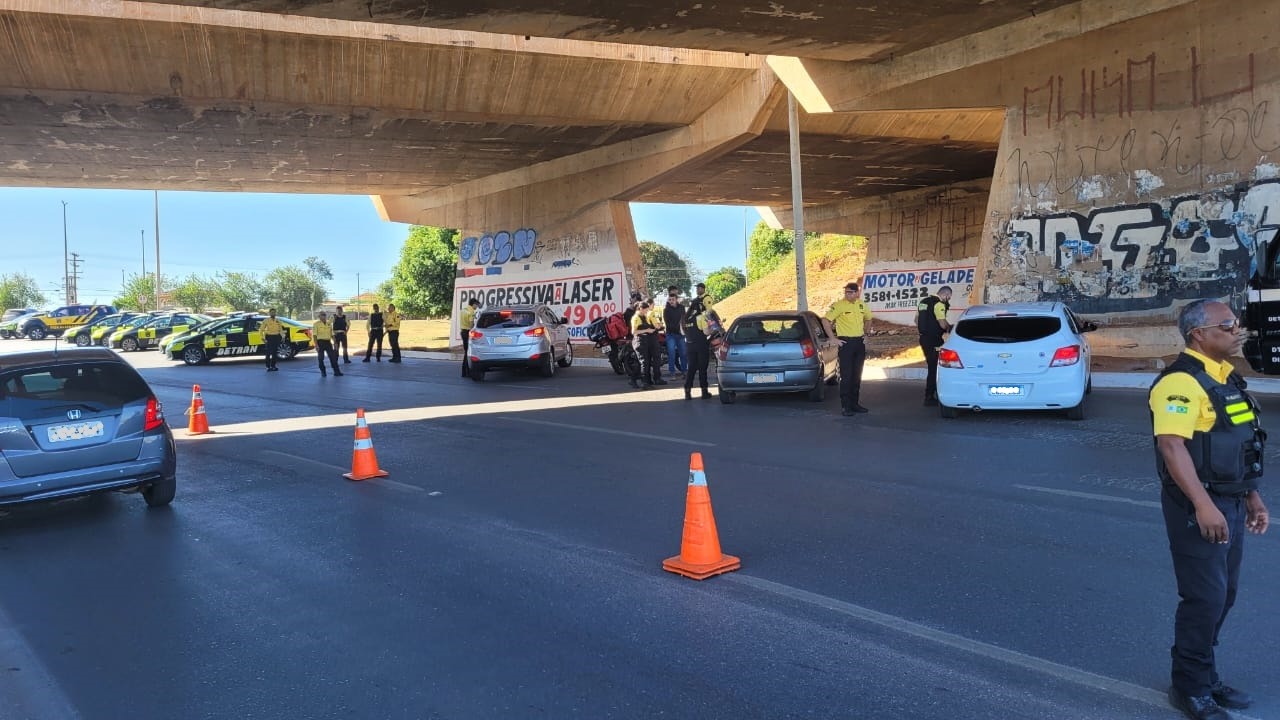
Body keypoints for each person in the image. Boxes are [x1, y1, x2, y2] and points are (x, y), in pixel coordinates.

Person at [1150, 299, 1269, 720]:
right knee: (1205, 597)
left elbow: (1240, 443)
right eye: (1229, 324)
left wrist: (1252, 496)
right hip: (1198, 504)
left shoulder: (1226, 380)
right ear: (1199, 334)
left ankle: (1206, 675)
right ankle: (1190, 686)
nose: (1239, 330)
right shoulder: (1179, 383)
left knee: (1224, 596)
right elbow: (1171, 446)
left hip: (1232, 501)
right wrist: (1203, 505)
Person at [824, 282, 874, 415]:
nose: (848, 294)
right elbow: (826, 320)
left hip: (859, 342)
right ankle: (845, 406)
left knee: (857, 375)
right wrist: (832, 338)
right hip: (846, 342)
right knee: (847, 376)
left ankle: (855, 404)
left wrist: (866, 333)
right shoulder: (839, 305)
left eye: (851, 292)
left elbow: (869, 318)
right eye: (846, 292)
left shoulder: (861, 304)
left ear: (857, 292)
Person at [916, 285, 953, 406]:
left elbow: (916, 320)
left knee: (931, 366)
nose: (948, 299)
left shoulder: (923, 302)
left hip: (923, 338)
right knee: (934, 368)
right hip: (934, 340)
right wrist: (950, 328)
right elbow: (942, 323)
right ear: (946, 295)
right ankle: (929, 396)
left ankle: (931, 394)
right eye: (949, 297)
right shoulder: (939, 304)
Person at [631, 300, 666, 388]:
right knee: (644, 363)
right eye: (646, 310)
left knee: (644, 363)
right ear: (641, 309)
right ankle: (644, 383)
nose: (647, 312)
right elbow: (634, 331)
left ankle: (637, 380)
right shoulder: (636, 318)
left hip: (645, 341)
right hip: (639, 342)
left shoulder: (644, 317)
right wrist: (647, 330)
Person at [683, 302, 713, 400]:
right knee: (702, 368)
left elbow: (682, 332)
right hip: (701, 345)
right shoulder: (701, 317)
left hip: (689, 345)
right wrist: (711, 327)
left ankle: (687, 391)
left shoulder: (684, 318)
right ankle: (704, 392)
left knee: (691, 368)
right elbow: (706, 332)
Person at [664, 289, 687, 378]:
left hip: (681, 335)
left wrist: (684, 329)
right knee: (672, 353)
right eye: (669, 300)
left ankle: (685, 371)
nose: (671, 301)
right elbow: (668, 323)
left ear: (676, 299)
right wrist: (678, 328)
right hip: (671, 334)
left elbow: (684, 320)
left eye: (673, 300)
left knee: (683, 353)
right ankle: (672, 372)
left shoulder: (681, 308)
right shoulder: (666, 310)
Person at [312, 311, 342, 377]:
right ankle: (323, 371)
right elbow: (314, 336)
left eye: (324, 315)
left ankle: (336, 372)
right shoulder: (316, 324)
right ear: (319, 317)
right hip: (320, 343)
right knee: (320, 358)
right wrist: (316, 345)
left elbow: (332, 334)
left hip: (328, 342)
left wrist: (335, 343)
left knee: (333, 357)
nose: (324, 316)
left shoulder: (329, 323)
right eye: (322, 315)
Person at [460, 297, 480, 377]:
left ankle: (465, 372)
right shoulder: (471, 311)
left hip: (463, 331)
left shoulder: (463, 310)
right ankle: (466, 372)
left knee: (466, 351)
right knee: (468, 352)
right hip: (468, 332)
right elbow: (471, 324)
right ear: (474, 304)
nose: (477, 307)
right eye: (477, 305)